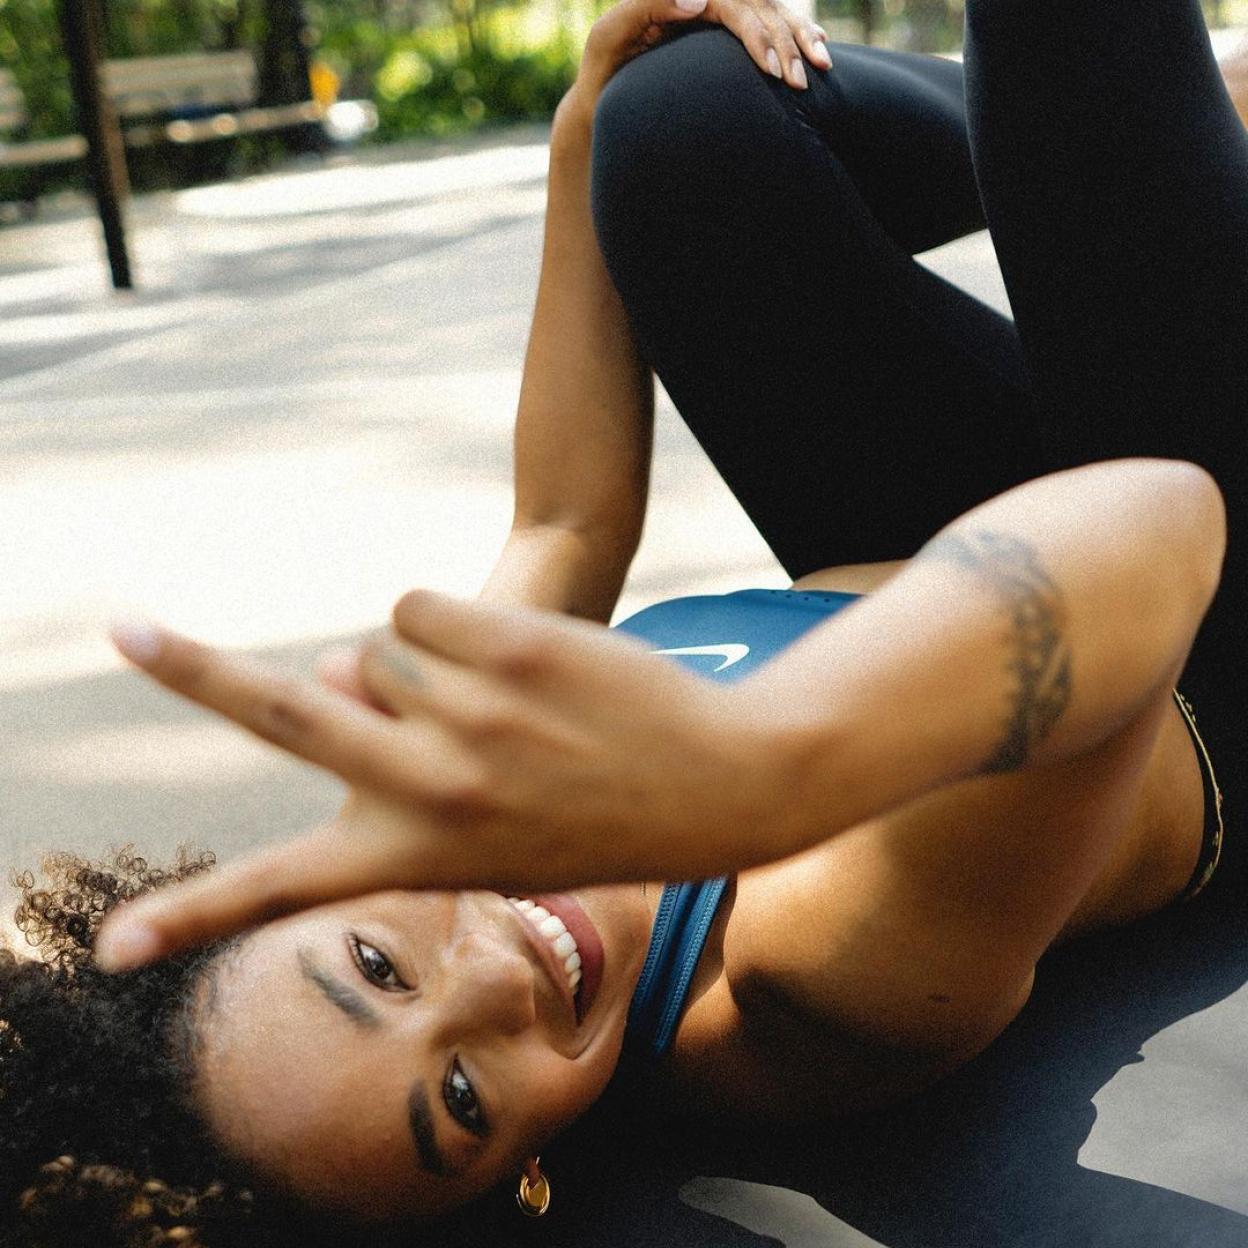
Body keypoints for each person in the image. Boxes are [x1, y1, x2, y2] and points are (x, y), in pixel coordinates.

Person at [5, 0, 1244, 1241]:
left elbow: (563, 529)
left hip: (960, 521)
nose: (499, 978)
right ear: (523, 1181)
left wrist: (578, 120)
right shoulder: (805, 975)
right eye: (461, 1098)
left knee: (673, 125)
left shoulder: (458, 804)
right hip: (1197, 626)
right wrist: (783, 764)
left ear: (292, 902)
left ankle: (1179, 135)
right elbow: (1158, 528)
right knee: (1067, 41)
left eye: (380, 970)